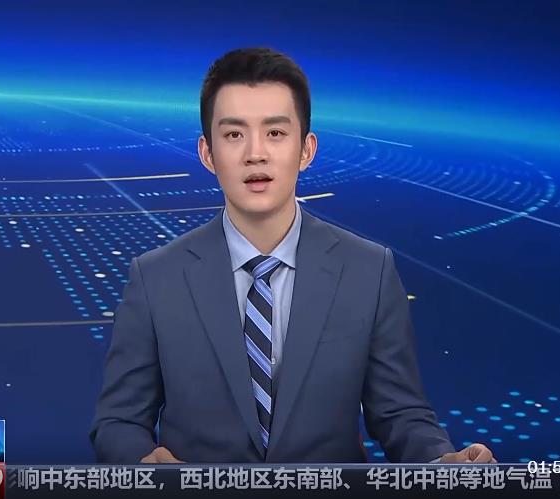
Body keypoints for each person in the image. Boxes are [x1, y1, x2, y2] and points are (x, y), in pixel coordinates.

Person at [91, 47, 496, 464]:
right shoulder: (156, 278)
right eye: (234, 135)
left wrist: (441, 463)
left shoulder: (369, 271)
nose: (255, 153)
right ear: (207, 153)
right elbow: (118, 422)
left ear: (306, 149)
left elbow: (400, 414)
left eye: (275, 133)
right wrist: (144, 463)